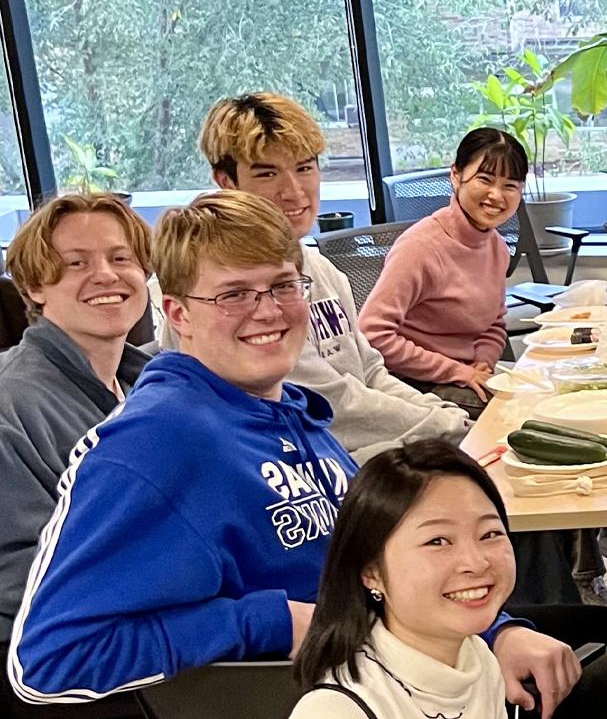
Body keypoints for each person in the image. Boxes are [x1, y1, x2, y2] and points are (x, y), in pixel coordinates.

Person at [4, 192, 577, 714]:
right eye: (233, 295)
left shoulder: (287, 412)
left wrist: (498, 631)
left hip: (412, 659)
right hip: (341, 696)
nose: (269, 311)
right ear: (178, 314)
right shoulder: (155, 445)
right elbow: (51, 660)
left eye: (282, 285)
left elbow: (385, 560)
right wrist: (268, 621)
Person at [160, 92, 469, 460]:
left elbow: (369, 372)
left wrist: (447, 420)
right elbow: (327, 403)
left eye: (305, 168)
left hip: (360, 455)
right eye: (267, 173)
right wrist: (446, 428)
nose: (293, 191)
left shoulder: (321, 269)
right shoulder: (203, 285)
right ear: (225, 181)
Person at [0, 195, 153, 719]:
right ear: (34, 287)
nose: (106, 275)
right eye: (77, 264)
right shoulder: (11, 405)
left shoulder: (150, 385)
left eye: (121, 258)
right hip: (54, 662)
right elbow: (19, 577)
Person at [289, 440, 518, 719]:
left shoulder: (476, 657)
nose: (475, 562)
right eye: (438, 541)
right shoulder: (337, 710)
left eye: (489, 534)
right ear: (371, 571)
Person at [358, 129, 524, 419]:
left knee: (550, 390)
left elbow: (493, 324)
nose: (496, 195)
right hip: (413, 383)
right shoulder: (420, 247)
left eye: (510, 185)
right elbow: (372, 334)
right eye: (484, 180)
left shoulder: (496, 247)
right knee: (517, 415)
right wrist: (456, 371)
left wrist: (483, 364)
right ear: (456, 176)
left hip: (466, 374)